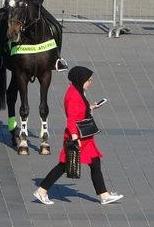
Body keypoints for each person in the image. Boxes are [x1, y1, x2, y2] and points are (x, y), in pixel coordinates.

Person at [34, 66, 123, 205]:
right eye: (89, 79)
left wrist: (90, 107)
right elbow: (71, 119)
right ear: (81, 80)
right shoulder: (74, 96)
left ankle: (104, 195)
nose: (91, 82)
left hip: (85, 138)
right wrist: (75, 139)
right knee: (64, 165)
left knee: (95, 163)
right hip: (78, 138)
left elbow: (79, 110)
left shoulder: (76, 91)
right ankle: (41, 190)